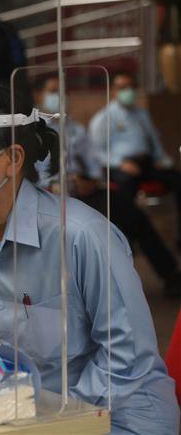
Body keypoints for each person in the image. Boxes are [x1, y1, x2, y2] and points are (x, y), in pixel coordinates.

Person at [0, 83, 179, 434]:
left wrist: (49, 416)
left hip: (117, 416)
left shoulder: (81, 235)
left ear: (13, 158)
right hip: (24, 414)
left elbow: (128, 358)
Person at [35, 76, 180, 297]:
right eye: (53, 91)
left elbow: (94, 164)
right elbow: (32, 173)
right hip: (50, 195)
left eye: (62, 91)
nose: (59, 96)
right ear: (39, 96)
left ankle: (169, 274)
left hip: (83, 191)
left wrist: (90, 180)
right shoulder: (33, 131)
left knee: (133, 215)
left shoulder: (75, 129)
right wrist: (54, 185)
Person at [89, 71, 181, 249]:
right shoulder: (104, 118)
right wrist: (121, 163)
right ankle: (125, 241)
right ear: (113, 90)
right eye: (123, 87)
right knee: (123, 193)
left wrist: (161, 158)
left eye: (131, 87)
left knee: (177, 180)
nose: (128, 91)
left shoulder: (142, 114)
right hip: (120, 167)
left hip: (146, 163)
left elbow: (154, 140)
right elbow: (96, 152)